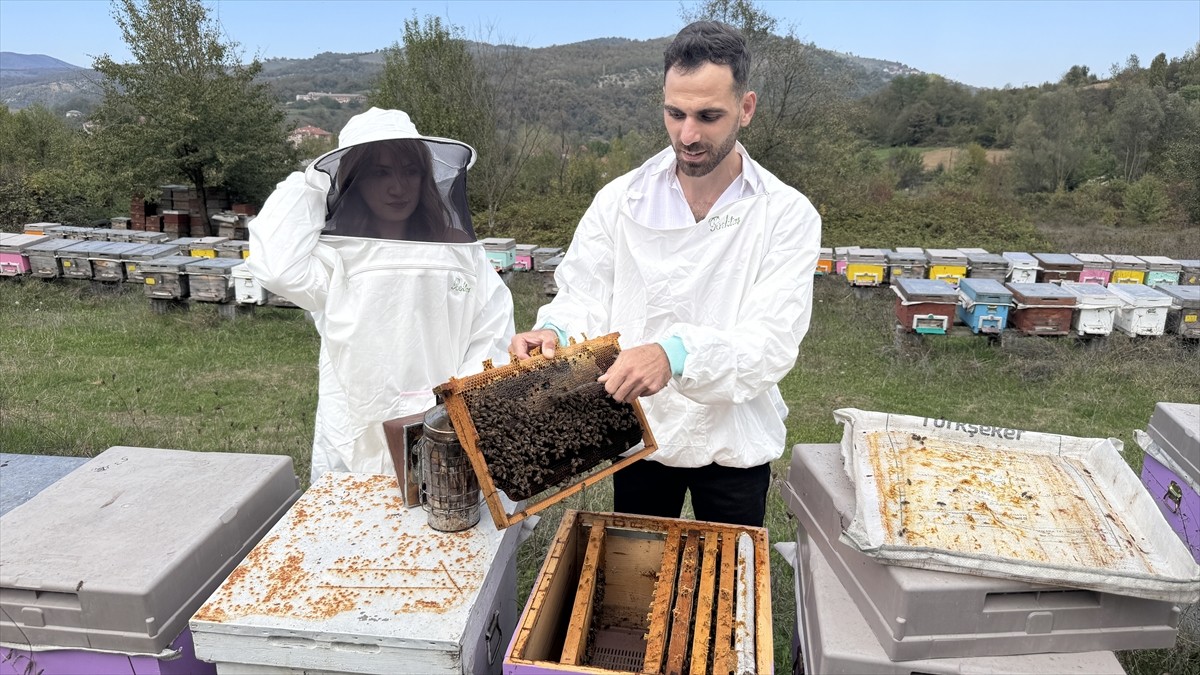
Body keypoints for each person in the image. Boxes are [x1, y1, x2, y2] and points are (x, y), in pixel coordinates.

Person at [509, 21, 821, 527]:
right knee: (639, 584)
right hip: (640, 434)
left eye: (708, 116)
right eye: (675, 114)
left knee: (728, 588)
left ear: (746, 108)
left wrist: (675, 354)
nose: (688, 135)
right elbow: (583, 290)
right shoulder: (620, 199)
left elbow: (772, 340)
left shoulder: (786, 214)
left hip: (732, 440)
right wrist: (556, 330)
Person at [248, 108, 515, 482]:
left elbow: (492, 328)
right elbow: (275, 266)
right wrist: (313, 181)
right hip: (357, 423)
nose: (398, 187)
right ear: (353, 179)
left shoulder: (458, 250)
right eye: (380, 172)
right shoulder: (333, 257)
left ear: (426, 177)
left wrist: (454, 407)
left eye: (410, 171)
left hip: (450, 422)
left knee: (445, 522)